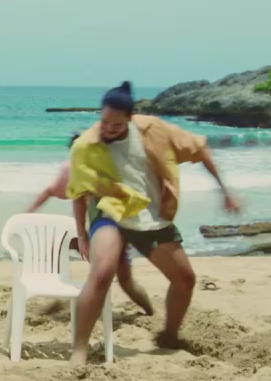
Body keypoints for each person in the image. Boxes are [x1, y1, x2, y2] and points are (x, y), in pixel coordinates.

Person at [66, 82, 240, 364]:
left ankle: (169, 335)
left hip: (150, 216)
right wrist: (82, 234)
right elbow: (77, 192)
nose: (108, 129)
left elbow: (200, 149)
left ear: (130, 118)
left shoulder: (153, 130)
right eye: (104, 121)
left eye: (116, 124)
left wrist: (225, 191)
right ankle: (79, 350)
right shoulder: (86, 145)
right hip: (110, 213)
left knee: (185, 279)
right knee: (102, 272)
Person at [27, 134, 153, 317]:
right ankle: (59, 292)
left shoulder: (107, 170)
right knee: (58, 244)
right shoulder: (75, 171)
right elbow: (64, 195)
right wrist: (81, 236)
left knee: (126, 282)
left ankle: (150, 312)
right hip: (95, 230)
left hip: (118, 230)